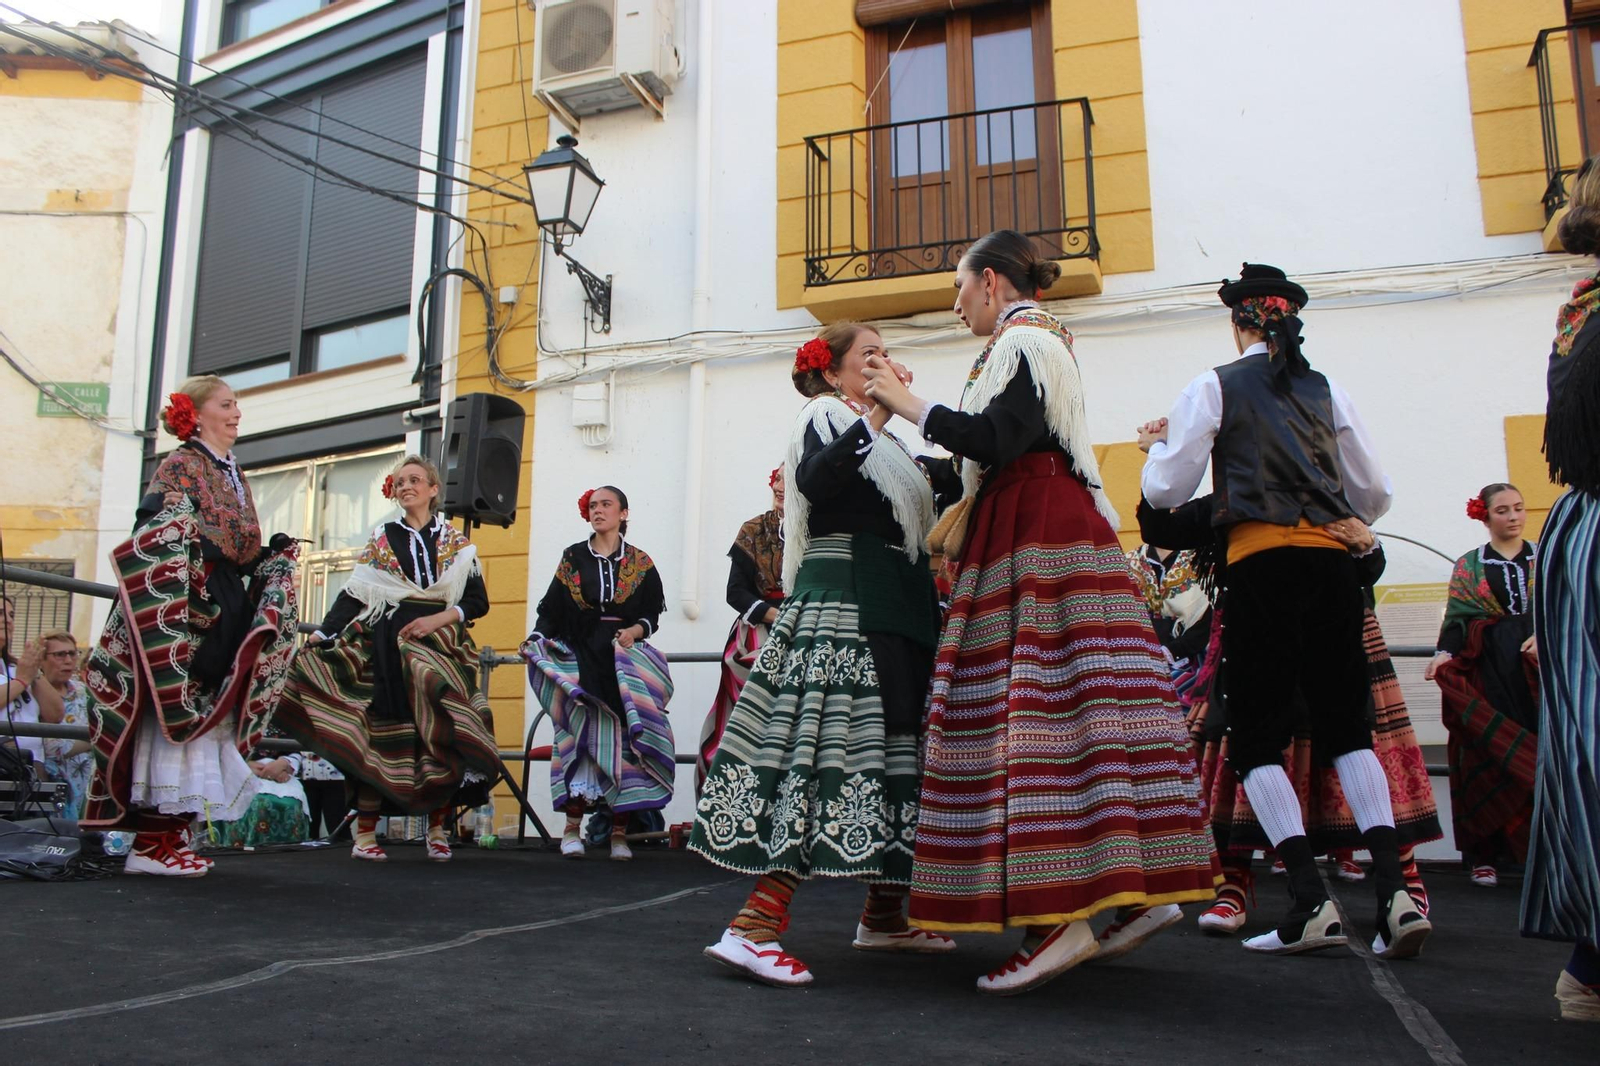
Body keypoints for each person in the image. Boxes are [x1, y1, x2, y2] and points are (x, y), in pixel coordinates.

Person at [862, 230, 1219, 995]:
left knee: (1029, 715)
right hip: (1046, 521)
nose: (956, 308)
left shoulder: (1025, 342)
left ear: (991, 283)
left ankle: (1060, 920)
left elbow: (994, 438)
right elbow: (989, 444)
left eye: (959, 291)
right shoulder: (1034, 342)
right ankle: (1130, 895)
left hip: (1035, 529)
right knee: (1091, 708)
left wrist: (904, 401)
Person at [1138, 262, 1430, 960]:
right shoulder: (1331, 392)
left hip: (1260, 565)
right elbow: (1375, 495)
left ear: (1236, 321)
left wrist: (1160, 446)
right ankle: (1393, 893)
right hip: (1332, 565)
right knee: (1348, 728)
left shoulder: (1213, 384)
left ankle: (1307, 898)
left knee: (1256, 739)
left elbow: (1167, 486)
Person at [692, 323, 953, 989]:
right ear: (832, 374)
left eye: (884, 355)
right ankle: (752, 926)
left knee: (891, 754)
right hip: (845, 605)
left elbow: (933, 496)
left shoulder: (891, 445)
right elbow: (819, 478)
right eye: (868, 355)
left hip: (890, 607)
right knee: (822, 756)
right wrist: (881, 408)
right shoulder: (826, 415)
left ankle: (885, 914)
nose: (882, 363)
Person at [1140, 500, 1440, 933]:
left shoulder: (1331, 488)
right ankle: (1234, 883)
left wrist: (1368, 545)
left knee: (1358, 744)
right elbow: (1165, 526)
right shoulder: (1236, 490)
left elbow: (1367, 556)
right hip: (1255, 625)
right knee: (1241, 751)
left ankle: (1402, 882)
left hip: (1332, 630)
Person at [81, 375, 300, 877]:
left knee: (205, 715)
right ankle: (149, 844)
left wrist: (268, 558)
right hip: (187, 603)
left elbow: (237, 543)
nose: (237, 412)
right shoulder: (180, 464)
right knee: (175, 713)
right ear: (196, 415)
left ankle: (173, 835)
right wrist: (200, 558)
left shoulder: (231, 470)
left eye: (237, 404)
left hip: (223, 599)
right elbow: (153, 531)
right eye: (227, 404)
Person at [275, 455, 499, 863]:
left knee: (446, 729)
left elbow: (477, 601)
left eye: (414, 479)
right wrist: (324, 633)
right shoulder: (383, 537)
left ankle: (437, 829)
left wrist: (437, 618)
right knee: (382, 733)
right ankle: (364, 835)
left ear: (434, 489)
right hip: (387, 641)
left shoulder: (458, 545)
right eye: (399, 482)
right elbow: (357, 593)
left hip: (441, 641)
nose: (405, 486)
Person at [1520, 161, 1600, 1022]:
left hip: (1581, 535)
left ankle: (1590, 959)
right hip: (1590, 536)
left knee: (1587, 749)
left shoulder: (1580, 311)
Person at [524, 486, 674, 862]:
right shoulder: (573, 558)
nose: (598, 511)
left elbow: (651, 615)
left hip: (621, 658)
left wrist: (633, 632)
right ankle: (571, 830)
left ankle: (619, 835)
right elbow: (552, 609)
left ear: (624, 513)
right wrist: (536, 639)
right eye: (593, 505)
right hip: (581, 653)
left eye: (606, 504)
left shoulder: (641, 563)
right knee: (579, 738)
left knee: (624, 743)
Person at [1425, 483, 1538, 889]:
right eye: (1504, 510)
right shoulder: (1469, 565)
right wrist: (1442, 654)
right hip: (1488, 666)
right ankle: (1484, 855)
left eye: (1519, 508)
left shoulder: (1545, 557)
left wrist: (1544, 633)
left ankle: (1538, 853)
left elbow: (1567, 604)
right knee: (1484, 755)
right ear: (1485, 516)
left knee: (1539, 751)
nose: (1514, 516)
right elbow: (1456, 619)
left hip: (1537, 672)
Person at [696, 465, 786, 792]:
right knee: (748, 711)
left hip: (805, 626)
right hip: (758, 628)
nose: (780, 486)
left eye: (789, 480)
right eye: (778, 479)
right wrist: (773, 615)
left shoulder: (816, 530)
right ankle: (733, 793)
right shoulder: (754, 530)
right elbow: (735, 592)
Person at [1, 597, 64, 783]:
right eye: (0, 613)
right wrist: (21, 681)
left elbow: (55, 714)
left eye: (11, 615)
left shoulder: (20, 666)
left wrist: (33, 671)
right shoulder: (22, 674)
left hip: (32, 767)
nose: (8, 620)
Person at [37, 630, 93, 818]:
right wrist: (94, 739)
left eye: (72, 653)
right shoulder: (31, 693)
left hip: (86, 789)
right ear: (42, 660)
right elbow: (54, 748)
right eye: (60, 654)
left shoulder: (83, 691)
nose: (68, 660)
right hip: (49, 790)